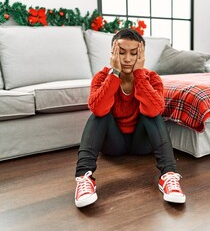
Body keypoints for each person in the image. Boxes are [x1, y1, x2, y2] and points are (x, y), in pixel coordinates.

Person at [74, 28, 186, 208]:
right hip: (113, 144)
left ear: (140, 55)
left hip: (141, 143)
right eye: (121, 52)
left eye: (133, 53)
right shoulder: (102, 77)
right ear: (112, 53)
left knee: (152, 112)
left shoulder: (152, 78)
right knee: (99, 114)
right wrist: (115, 74)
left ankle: (169, 176)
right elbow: (97, 108)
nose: (127, 59)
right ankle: (84, 178)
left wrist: (140, 75)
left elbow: (154, 110)